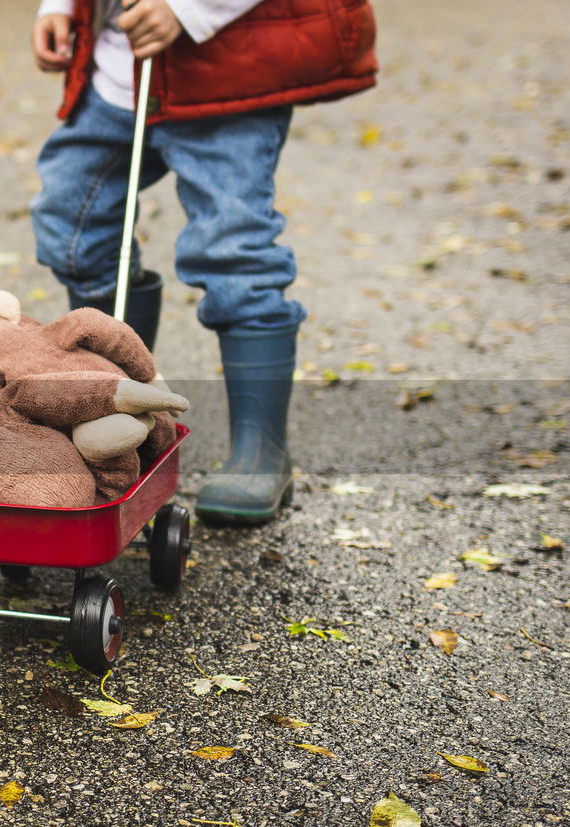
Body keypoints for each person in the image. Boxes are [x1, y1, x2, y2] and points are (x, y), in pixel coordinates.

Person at [29, 0, 377, 524]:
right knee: (71, 226)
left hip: (228, 79)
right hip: (115, 82)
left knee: (232, 251)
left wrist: (185, 8)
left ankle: (261, 453)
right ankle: (116, 410)